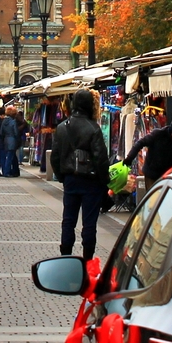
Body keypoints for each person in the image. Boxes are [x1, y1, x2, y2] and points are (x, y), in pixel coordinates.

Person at [52, 90, 110, 259]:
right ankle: (87, 258)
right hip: (91, 181)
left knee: (68, 219)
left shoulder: (62, 127)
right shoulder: (93, 128)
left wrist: (62, 176)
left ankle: (66, 254)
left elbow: (55, 156)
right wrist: (104, 181)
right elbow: (101, 159)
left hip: (70, 179)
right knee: (89, 222)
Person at [123, 118, 172, 192]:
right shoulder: (158, 134)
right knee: (153, 196)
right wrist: (129, 158)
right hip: (151, 172)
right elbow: (140, 143)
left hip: (166, 173)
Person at [0, 106, 19, 178]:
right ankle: (7, 172)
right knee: (10, 157)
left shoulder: (4, 121)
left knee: (8, 156)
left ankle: (9, 171)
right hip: (12, 140)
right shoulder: (13, 121)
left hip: (6, 140)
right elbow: (16, 132)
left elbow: (1, 132)